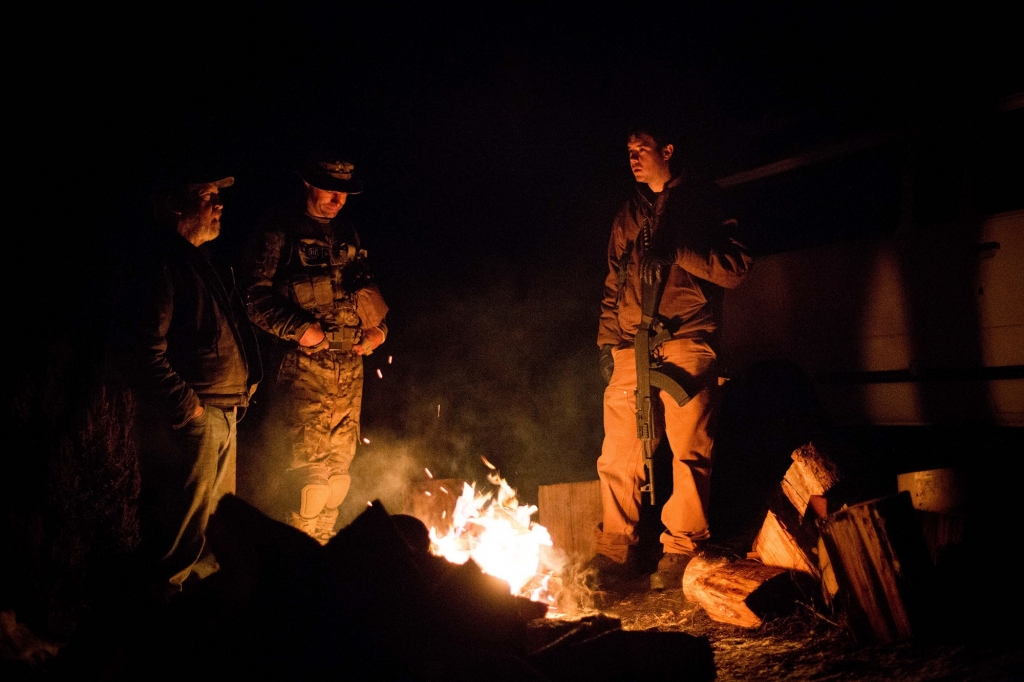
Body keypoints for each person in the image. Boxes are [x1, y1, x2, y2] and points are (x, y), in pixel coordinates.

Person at [593, 123, 752, 590]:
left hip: (685, 338)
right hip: (630, 344)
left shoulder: (706, 201)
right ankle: (616, 553)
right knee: (618, 454)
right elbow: (612, 284)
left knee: (689, 451)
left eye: (641, 149)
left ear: (667, 149)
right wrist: (607, 342)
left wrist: (677, 250)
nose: (633, 158)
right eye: (628, 151)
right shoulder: (628, 214)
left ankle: (683, 547)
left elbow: (735, 268)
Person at [114, 172, 262, 598]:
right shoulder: (157, 262)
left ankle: (200, 621)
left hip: (220, 415)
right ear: (175, 205)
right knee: (179, 540)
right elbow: (138, 349)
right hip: (196, 421)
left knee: (214, 534)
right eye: (207, 196)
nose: (219, 205)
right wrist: (188, 409)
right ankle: (157, 621)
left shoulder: (191, 260)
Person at [242, 154, 388, 544]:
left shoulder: (348, 233)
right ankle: (295, 568)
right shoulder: (279, 230)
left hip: (350, 367)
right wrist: (300, 328)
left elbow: (365, 288)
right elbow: (252, 297)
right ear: (308, 184)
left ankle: (321, 557)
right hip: (302, 366)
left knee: (337, 480)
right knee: (309, 484)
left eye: (344, 192)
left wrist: (378, 331)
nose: (337, 199)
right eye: (329, 189)